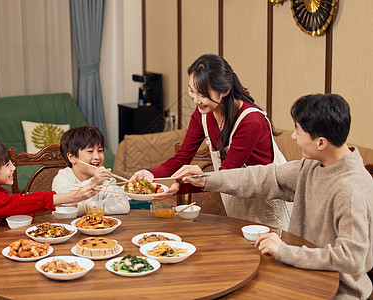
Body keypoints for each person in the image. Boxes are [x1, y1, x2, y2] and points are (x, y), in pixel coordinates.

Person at [167, 94, 373, 299]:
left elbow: (351, 258)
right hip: (302, 274)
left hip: (338, 291)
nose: (293, 137)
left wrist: (284, 251)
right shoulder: (313, 166)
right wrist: (206, 179)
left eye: (298, 131)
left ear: (321, 143)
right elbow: (263, 177)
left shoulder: (350, 190)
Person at [131, 54, 291, 229]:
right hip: (236, 203)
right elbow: (182, 157)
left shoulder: (251, 121)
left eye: (203, 94)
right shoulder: (203, 115)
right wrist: (151, 174)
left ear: (225, 90)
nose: (196, 100)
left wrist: (181, 186)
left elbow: (227, 175)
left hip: (267, 206)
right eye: (192, 90)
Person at [0, 135, 99, 235]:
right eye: (7, 165)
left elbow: (17, 206)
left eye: (11, 162)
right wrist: (73, 196)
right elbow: (17, 203)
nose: (13, 168)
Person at [52, 126, 130, 216]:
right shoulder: (63, 176)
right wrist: (94, 182)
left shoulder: (105, 178)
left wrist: (81, 207)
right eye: (90, 151)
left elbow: (123, 205)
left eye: (100, 150)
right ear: (72, 157)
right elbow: (62, 198)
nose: (97, 156)